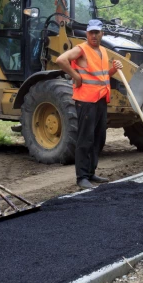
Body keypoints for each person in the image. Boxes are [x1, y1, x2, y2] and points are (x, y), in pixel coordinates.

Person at [56, 19, 123, 189]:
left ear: (102, 33)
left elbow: (101, 75)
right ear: (87, 33)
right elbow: (61, 60)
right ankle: (82, 177)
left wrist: (113, 70)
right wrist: (76, 76)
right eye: (91, 32)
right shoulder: (81, 49)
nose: (94, 35)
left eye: (97, 32)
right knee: (85, 139)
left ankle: (91, 172)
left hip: (100, 99)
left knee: (99, 138)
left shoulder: (102, 51)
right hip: (86, 101)